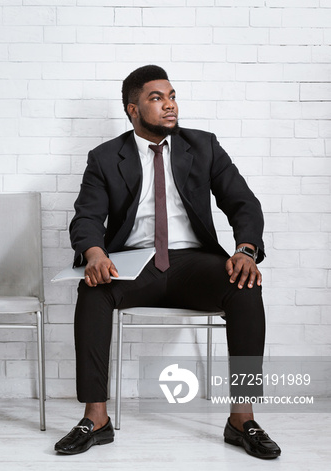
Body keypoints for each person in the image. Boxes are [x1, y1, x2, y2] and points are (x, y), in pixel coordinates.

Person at [54, 65, 281, 459]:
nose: (169, 105)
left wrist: (245, 249)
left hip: (194, 263)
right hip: (134, 262)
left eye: (172, 96)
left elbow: (244, 203)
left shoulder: (204, 146)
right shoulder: (106, 157)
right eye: (156, 99)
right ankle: (96, 418)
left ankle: (242, 419)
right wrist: (94, 252)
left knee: (245, 285)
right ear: (133, 110)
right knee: (92, 292)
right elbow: (87, 217)